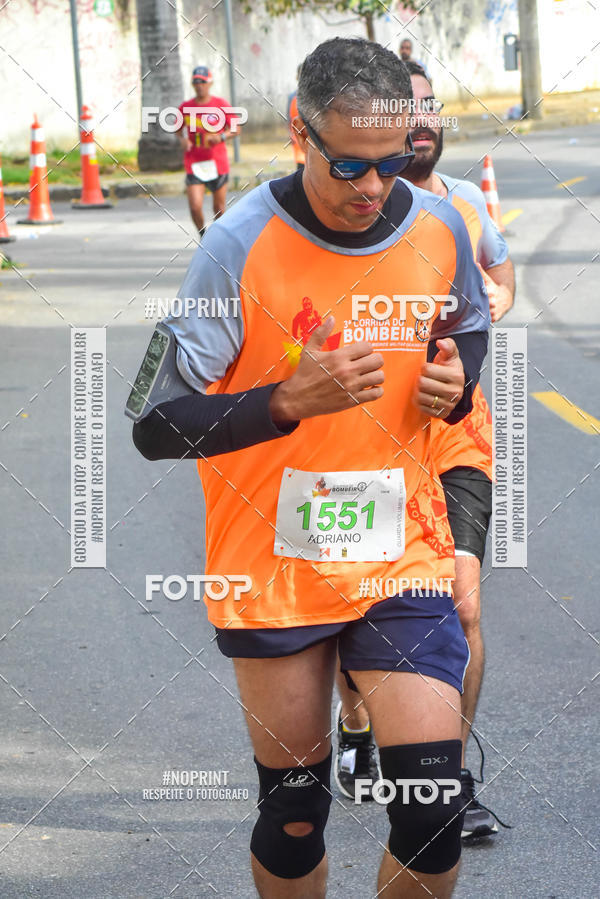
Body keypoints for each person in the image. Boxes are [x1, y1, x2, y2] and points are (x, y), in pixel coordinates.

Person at [132, 37, 490, 898]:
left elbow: (468, 321)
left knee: (432, 801)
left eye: (393, 161)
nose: (374, 187)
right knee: (294, 816)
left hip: (397, 553)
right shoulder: (235, 245)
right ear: (299, 131)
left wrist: (457, 372)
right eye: (349, 165)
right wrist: (284, 401)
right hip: (275, 565)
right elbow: (154, 426)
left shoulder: (439, 223)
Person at [334, 60, 515, 842]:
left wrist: (467, 340)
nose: (422, 125)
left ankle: (448, 778)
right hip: (367, 442)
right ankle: (356, 723)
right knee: (354, 601)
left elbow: (500, 283)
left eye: (428, 111)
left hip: (455, 431)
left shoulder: (465, 206)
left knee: (463, 602)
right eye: (407, 113)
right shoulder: (339, 200)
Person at [177, 65, 236, 237]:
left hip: (217, 163)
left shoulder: (220, 105)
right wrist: (183, 140)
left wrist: (222, 137)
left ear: (210, 83)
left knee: (219, 208)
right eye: (196, 82)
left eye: (202, 82)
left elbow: (235, 128)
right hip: (194, 162)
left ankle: (218, 240)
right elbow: (178, 130)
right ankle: (203, 236)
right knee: (195, 207)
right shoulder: (185, 107)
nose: (199, 85)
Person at [288, 65, 306, 171]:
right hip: (297, 135)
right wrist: (290, 134)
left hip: (310, 137)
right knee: (301, 166)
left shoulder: (314, 95)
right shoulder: (292, 97)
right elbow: (288, 117)